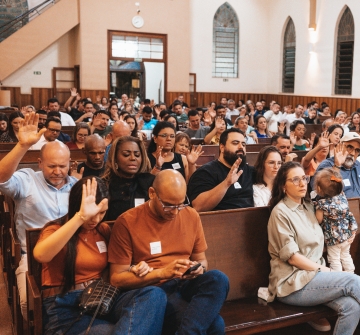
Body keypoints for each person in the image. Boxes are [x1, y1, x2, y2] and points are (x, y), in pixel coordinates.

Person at [267, 162, 360, 335]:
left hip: (315, 277)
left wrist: (349, 232)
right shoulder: (280, 212)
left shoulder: (309, 206)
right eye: (295, 179)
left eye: (304, 179)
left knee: (351, 307)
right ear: (283, 185)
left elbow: (336, 214)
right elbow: (292, 258)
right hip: (292, 283)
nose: (302, 183)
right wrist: (325, 270)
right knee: (353, 280)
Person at [34, 177, 166, 334]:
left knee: (153, 294)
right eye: (92, 214)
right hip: (66, 307)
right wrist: (80, 217)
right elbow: (41, 255)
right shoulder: (55, 230)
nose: (96, 220)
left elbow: (114, 268)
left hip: (103, 298)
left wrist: (133, 268)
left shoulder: (102, 230)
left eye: (102, 213)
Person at [108, 170, 229, 334]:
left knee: (218, 279)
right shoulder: (127, 222)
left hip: (184, 283)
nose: (175, 211)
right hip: (154, 291)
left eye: (180, 204)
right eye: (168, 205)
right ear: (152, 193)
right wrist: (163, 273)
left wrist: (198, 268)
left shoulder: (191, 215)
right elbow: (116, 279)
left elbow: (202, 260)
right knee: (215, 325)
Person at [0, 112, 80, 319]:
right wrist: (22, 145)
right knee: (29, 301)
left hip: (72, 251)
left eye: (62, 166)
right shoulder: (27, 179)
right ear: (40, 163)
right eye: (51, 166)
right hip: (33, 255)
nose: (57, 171)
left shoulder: (76, 187)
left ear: (70, 164)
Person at [188, 128, 255, 211]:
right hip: (218, 222)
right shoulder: (205, 172)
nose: (241, 147)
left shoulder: (250, 171)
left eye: (244, 144)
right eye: (235, 143)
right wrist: (226, 183)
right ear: (222, 147)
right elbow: (198, 206)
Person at [314, 168, 358, 273]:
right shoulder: (342, 197)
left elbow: (318, 220)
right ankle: (351, 273)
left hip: (333, 239)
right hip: (346, 234)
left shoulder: (322, 204)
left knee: (334, 259)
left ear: (319, 189)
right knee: (346, 255)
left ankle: (338, 277)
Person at [102, 136, 154, 220]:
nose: (133, 158)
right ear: (115, 158)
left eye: (137, 155)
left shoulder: (151, 182)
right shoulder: (104, 184)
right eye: (126, 154)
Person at [315, 132, 360, 200]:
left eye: (357, 150)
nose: (353, 153)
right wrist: (337, 165)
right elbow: (325, 194)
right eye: (350, 147)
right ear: (339, 146)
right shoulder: (326, 165)